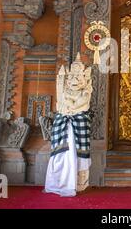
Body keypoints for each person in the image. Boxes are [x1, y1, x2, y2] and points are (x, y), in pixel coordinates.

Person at [44, 54, 93, 197]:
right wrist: (68, 105)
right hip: (63, 127)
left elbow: (80, 104)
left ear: (86, 79)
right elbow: (63, 104)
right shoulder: (63, 90)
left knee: (78, 156)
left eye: (78, 77)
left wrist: (70, 105)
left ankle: (76, 183)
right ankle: (59, 181)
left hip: (78, 126)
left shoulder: (85, 92)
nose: (74, 80)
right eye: (71, 77)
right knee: (62, 155)